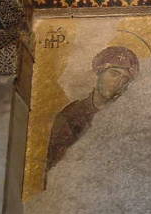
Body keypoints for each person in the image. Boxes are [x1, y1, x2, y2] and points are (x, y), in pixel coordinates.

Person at [44, 46, 139, 186]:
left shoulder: (128, 118)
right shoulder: (71, 115)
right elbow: (55, 168)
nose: (118, 83)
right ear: (100, 72)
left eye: (125, 79)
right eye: (114, 73)